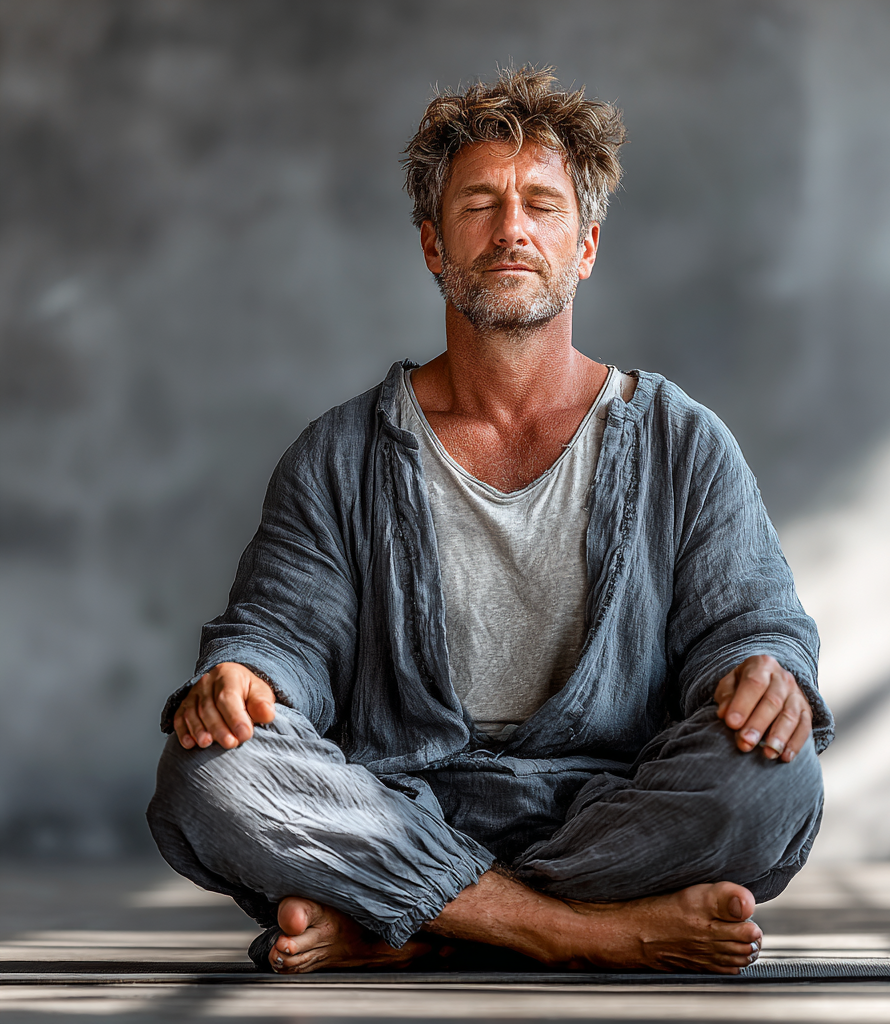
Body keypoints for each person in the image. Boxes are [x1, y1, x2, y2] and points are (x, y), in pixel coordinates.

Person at [147, 66, 831, 976]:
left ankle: (420, 918)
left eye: (540, 204)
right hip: (396, 801)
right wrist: (244, 678)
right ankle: (571, 930)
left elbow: (751, 626)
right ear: (434, 245)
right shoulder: (340, 453)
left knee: (773, 780)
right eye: (480, 204)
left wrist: (768, 672)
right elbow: (281, 635)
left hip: (612, 806)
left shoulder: (682, 440)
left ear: (585, 245)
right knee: (210, 771)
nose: (512, 228)